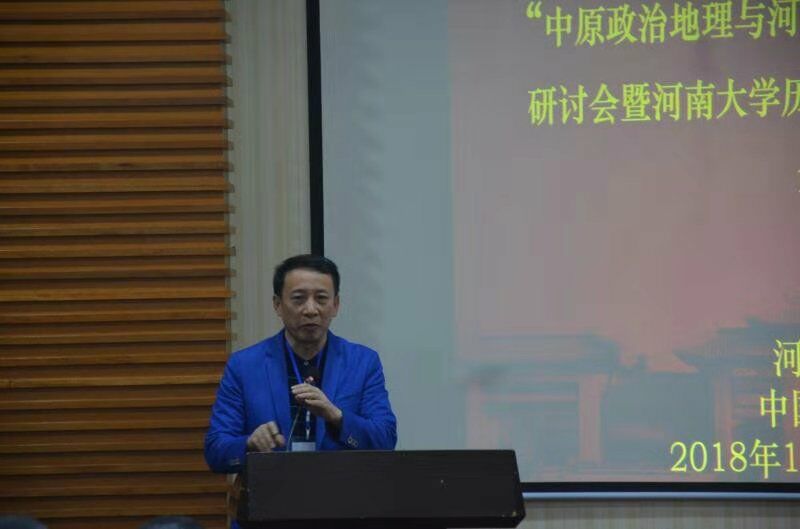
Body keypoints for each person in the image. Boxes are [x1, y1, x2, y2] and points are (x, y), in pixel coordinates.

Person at [204, 254, 397, 473]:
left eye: (321, 299)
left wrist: (337, 417)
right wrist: (249, 444)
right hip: (274, 491)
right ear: (278, 305)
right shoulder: (244, 366)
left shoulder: (363, 362)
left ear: (335, 305)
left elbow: (385, 440)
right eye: (298, 299)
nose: (311, 309)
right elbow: (215, 451)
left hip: (343, 491)